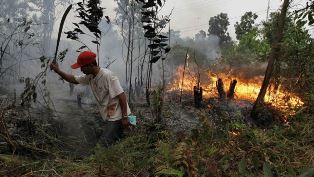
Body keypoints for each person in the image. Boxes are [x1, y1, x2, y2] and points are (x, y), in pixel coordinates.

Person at [50, 51, 131, 147]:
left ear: (91, 65)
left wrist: (125, 118)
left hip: (118, 116)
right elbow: (73, 79)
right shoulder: (90, 77)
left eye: (82, 67)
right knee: (119, 142)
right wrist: (58, 71)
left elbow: (122, 96)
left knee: (102, 146)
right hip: (110, 115)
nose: (81, 69)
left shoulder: (108, 75)